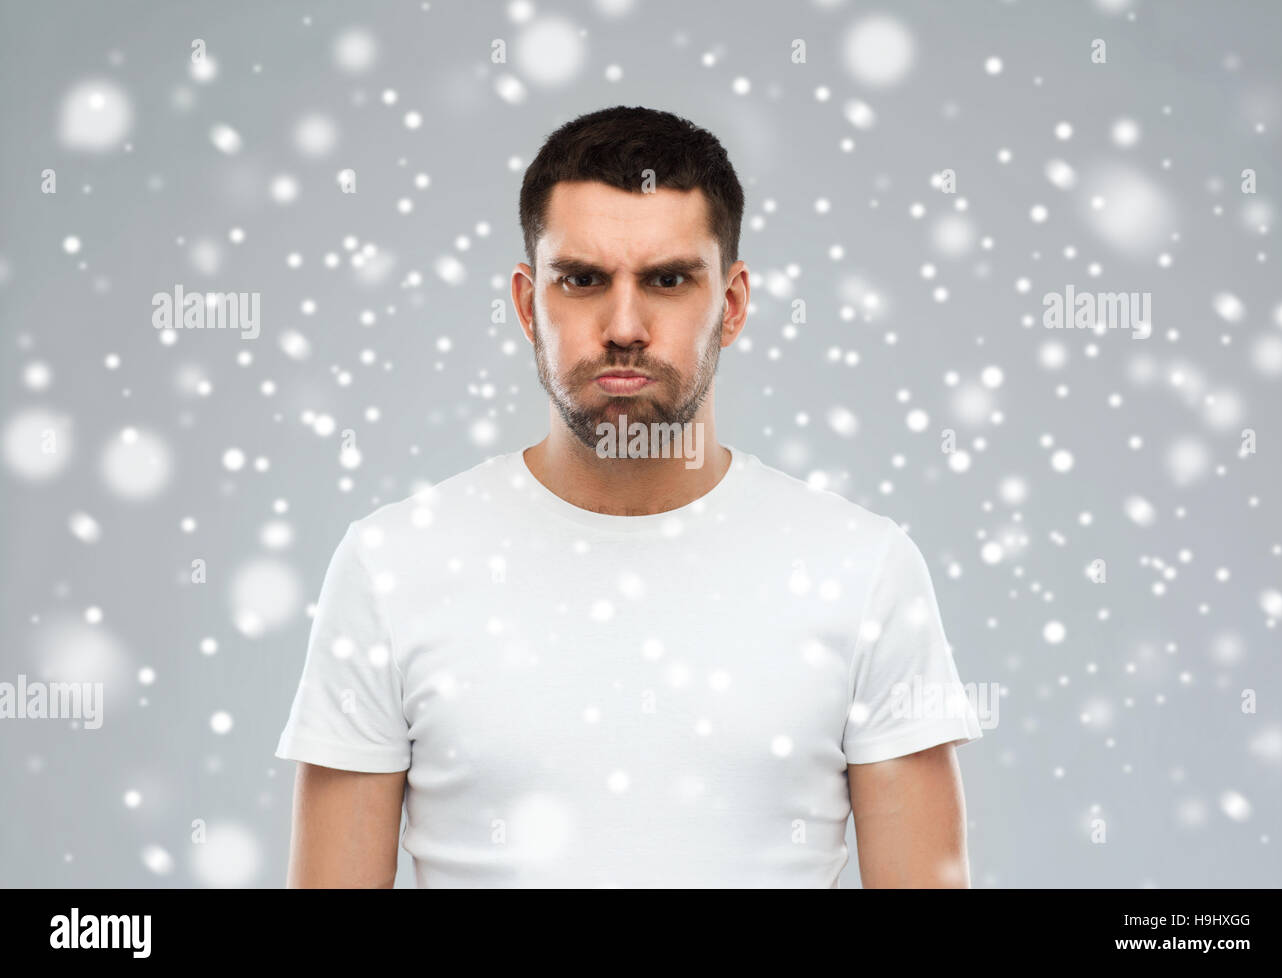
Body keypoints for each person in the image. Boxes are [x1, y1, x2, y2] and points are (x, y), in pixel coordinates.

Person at [275, 105, 983, 888]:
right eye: (581, 280)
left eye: (668, 280)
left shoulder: (864, 571)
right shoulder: (390, 566)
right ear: (525, 304)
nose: (623, 325)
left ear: (734, 304)